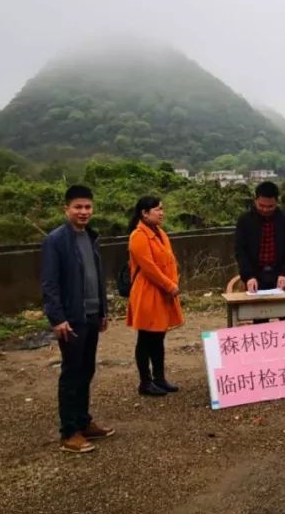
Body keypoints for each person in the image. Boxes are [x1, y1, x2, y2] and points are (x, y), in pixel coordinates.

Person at [40, 184, 113, 454]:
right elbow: (49, 284)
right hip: (71, 319)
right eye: (78, 207)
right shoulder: (56, 240)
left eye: (87, 207)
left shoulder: (91, 237)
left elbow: (97, 277)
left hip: (92, 316)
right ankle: (69, 432)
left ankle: (83, 421)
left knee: (87, 370)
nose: (83, 212)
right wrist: (57, 318)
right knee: (72, 374)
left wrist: (103, 310)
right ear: (66, 209)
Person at [126, 195, 185, 396]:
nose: (161, 212)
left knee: (159, 336)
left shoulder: (159, 233)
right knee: (146, 337)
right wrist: (169, 285)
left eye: (162, 208)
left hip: (162, 292)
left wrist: (172, 283)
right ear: (144, 213)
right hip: (147, 292)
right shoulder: (138, 236)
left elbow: (169, 259)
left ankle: (159, 378)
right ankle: (145, 381)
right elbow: (149, 267)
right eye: (157, 209)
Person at [234, 181, 285, 292]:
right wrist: (248, 276)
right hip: (254, 275)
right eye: (261, 206)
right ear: (255, 201)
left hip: (279, 274)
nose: (265, 210)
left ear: (276, 202)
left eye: (270, 206)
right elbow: (240, 251)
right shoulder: (245, 221)